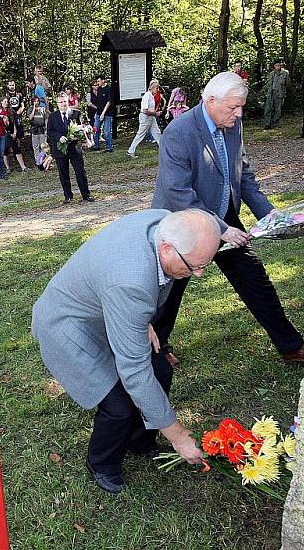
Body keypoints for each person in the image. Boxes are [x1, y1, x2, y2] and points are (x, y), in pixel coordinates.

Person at [32, 209, 221, 494]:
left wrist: (137, 319)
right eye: (193, 266)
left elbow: (205, 220)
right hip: (66, 324)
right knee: (118, 403)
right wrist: (179, 436)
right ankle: (102, 463)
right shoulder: (130, 282)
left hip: (109, 306)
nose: (198, 273)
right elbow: (134, 372)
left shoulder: (164, 222)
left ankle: (140, 440)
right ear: (167, 248)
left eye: (204, 264)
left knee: (161, 370)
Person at [151, 71, 304, 366]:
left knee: (255, 279)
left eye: (241, 107)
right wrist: (220, 228)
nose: (238, 114)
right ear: (210, 101)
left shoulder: (233, 125)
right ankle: (156, 350)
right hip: (184, 221)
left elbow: (243, 174)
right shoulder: (179, 131)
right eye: (232, 107)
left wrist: (269, 212)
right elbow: (177, 191)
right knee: (170, 290)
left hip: (224, 216)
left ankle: (290, 346)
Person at [47, 92, 94, 203]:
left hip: (74, 147)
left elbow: (84, 128)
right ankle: (68, 196)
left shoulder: (76, 114)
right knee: (63, 173)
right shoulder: (53, 116)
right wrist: (59, 138)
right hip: (60, 148)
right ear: (57, 103)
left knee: (80, 171)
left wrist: (83, 136)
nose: (63, 104)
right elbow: (50, 132)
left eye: (65, 101)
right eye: (61, 102)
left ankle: (86, 195)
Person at [127, 79, 163, 157]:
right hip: (145, 117)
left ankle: (164, 149)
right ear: (152, 88)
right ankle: (131, 150)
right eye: (156, 88)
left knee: (157, 133)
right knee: (141, 134)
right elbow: (145, 110)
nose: (158, 90)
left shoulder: (152, 96)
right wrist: (156, 113)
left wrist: (155, 113)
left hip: (151, 117)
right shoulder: (147, 95)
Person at [1, 97, 27, 173]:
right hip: (5, 134)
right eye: (4, 102)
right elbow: (2, 126)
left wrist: (15, 133)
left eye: (7, 102)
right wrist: (8, 133)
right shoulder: (0, 112)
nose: (6, 103)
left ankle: (23, 167)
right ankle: (8, 168)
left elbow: (15, 123)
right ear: (1, 103)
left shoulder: (11, 111)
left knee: (17, 149)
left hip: (13, 132)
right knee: (6, 151)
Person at [263, 59, 290, 129]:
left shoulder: (285, 73)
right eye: (276, 65)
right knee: (268, 109)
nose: (277, 67)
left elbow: (288, 84)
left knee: (278, 110)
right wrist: (269, 93)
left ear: (281, 65)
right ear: (274, 66)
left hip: (280, 93)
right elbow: (269, 84)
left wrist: (284, 92)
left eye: (279, 65)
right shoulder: (272, 74)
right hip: (271, 93)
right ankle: (267, 124)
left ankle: (274, 123)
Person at [93, 75, 113, 152]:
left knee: (107, 131)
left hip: (107, 113)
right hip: (98, 113)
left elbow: (109, 102)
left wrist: (103, 113)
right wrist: (97, 113)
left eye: (98, 81)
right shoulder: (99, 89)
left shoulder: (109, 89)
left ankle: (109, 147)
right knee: (96, 129)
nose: (97, 83)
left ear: (103, 80)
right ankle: (96, 145)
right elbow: (98, 102)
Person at [29, 95, 49, 169]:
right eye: (35, 101)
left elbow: (46, 118)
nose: (36, 102)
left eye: (37, 101)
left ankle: (44, 162)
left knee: (43, 146)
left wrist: (46, 128)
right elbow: (30, 118)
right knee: (36, 147)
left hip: (42, 130)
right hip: (35, 130)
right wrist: (34, 108)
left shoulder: (42, 109)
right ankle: (38, 163)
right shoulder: (30, 109)